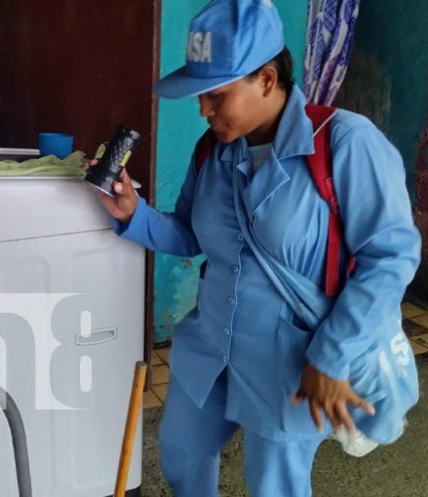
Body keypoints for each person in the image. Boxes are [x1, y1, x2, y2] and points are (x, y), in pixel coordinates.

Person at [89, 0, 421, 495]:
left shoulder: (347, 143)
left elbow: (389, 259)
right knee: (181, 454)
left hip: (292, 362)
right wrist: (135, 215)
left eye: (216, 96)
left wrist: (329, 358)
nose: (203, 110)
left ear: (266, 79)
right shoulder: (213, 151)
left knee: (273, 485)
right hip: (210, 351)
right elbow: (190, 233)